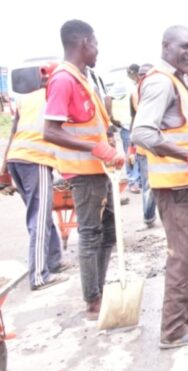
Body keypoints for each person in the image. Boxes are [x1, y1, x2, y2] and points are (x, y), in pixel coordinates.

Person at [131, 25, 188, 349]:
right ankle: (173, 330)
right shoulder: (159, 82)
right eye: (185, 47)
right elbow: (142, 133)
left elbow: (187, 132)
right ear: (166, 47)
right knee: (183, 257)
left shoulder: (180, 82)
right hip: (174, 187)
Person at [43, 20, 125, 320]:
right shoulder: (64, 79)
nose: (98, 51)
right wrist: (95, 148)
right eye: (96, 45)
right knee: (91, 234)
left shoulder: (82, 78)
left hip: (99, 169)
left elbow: (90, 124)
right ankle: (93, 299)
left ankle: (98, 288)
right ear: (84, 42)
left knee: (109, 233)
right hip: (84, 172)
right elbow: (50, 130)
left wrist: (109, 142)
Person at [1, 62, 70, 290]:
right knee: (39, 220)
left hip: (16, 160)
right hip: (35, 159)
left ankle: (54, 261)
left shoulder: (24, 98)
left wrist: (4, 168)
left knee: (40, 214)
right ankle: (39, 276)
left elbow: (13, 132)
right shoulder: (53, 96)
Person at [128, 63, 157, 228]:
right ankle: (148, 218)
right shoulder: (135, 94)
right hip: (143, 150)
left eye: (147, 75)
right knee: (147, 186)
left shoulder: (160, 92)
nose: (143, 78)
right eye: (141, 75)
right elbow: (135, 122)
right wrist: (131, 149)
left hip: (160, 150)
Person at [111, 63, 141, 193]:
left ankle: (138, 180)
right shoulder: (123, 84)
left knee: (138, 154)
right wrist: (111, 118)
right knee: (131, 154)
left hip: (137, 125)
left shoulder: (137, 85)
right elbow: (108, 97)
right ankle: (132, 181)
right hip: (127, 126)